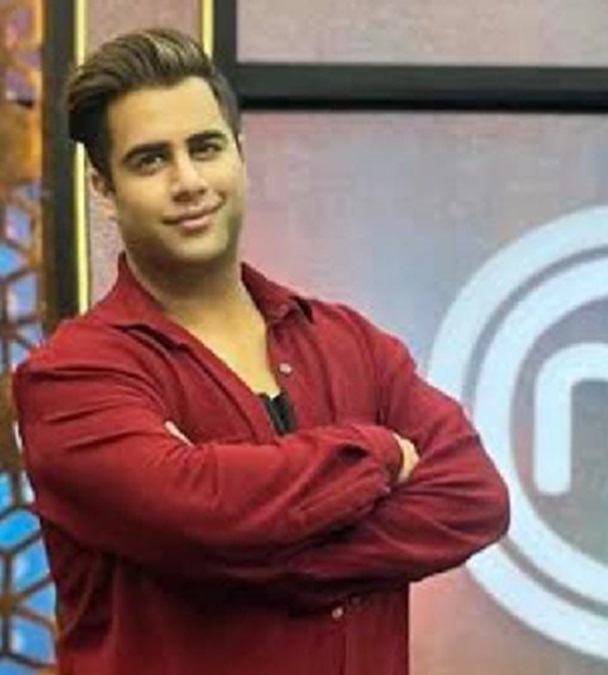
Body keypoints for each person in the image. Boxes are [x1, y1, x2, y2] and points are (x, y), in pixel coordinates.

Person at [13, 27, 510, 675]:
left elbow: (474, 496)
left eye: (205, 147)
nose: (189, 181)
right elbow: (197, 511)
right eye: (151, 160)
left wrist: (258, 554)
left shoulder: (351, 343)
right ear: (104, 189)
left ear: (240, 155)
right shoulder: (71, 378)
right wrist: (379, 452)